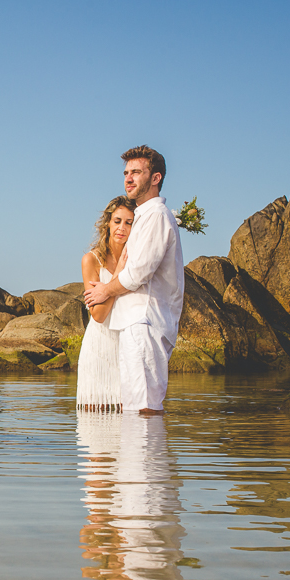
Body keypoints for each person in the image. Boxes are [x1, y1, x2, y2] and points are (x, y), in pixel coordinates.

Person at [84, 146, 184, 415]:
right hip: (138, 323)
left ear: (155, 178)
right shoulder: (144, 217)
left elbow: (138, 273)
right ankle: (138, 457)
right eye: (126, 173)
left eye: (136, 172)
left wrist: (105, 289)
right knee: (136, 407)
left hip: (145, 322)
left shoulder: (155, 217)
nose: (128, 178)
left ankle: (144, 457)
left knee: (143, 408)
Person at [77, 196, 135, 412]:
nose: (122, 228)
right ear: (108, 223)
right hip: (99, 347)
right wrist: (118, 273)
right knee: (96, 418)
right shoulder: (91, 260)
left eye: (129, 223)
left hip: (128, 345)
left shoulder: (138, 259)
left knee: (128, 419)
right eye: (117, 221)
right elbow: (98, 315)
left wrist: (108, 289)